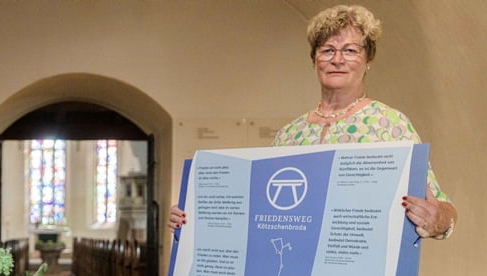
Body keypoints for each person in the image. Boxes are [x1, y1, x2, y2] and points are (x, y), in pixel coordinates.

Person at [169, 4, 457, 239]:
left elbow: (442, 205)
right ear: (314, 59)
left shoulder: (390, 124)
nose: (337, 59)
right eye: (327, 50)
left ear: (369, 59)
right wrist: (194, 220)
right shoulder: (289, 134)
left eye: (351, 50)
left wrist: (439, 220)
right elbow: (261, 213)